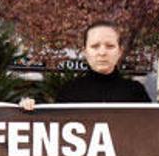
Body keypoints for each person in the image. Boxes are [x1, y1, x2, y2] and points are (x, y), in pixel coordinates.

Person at [20, 20, 151, 109]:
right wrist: (25, 113)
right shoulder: (69, 92)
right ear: (85, 52)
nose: (102, 52)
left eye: (110, 46)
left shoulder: (136, 93)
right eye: (95, 46)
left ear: (120, 52)